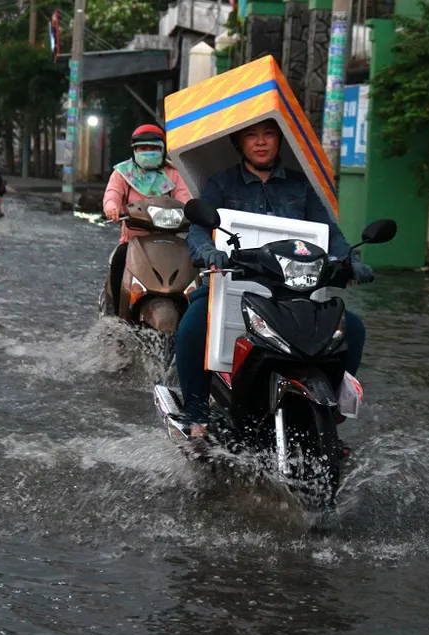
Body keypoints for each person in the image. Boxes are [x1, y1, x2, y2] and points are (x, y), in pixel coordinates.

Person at [174, 118, 374, 437]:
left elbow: (330, 233)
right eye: (251, 135)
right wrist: (209, 252)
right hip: (232, 285)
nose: (261, 141)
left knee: (354, 329)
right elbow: (198, 229)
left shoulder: (301, 186)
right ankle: (195, 412)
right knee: (194, 324)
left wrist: (350, 261)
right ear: (238, 143)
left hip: (294, 292)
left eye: (269, 134)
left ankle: (331, 409)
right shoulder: (222, 183)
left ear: (280, 140)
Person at [102, 124, 192, 310]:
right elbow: (113, 193)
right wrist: (112, 207)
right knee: (119, 259)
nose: (148, 152)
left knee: (193, 266)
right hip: (133, 241)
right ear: (134, 150)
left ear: (163, 150)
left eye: (153, 148)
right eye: (143, 148)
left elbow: (185, 199)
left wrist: (192, 212)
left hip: (171, 242)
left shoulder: (174, 173)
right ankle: (117, 313)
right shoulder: (123, 173)